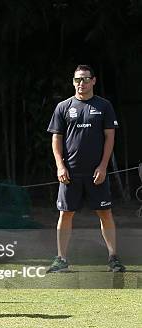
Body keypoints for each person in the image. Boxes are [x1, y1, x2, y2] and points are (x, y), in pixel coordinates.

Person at [47, 65, 125, 273]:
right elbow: (56, 138)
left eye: (85, 79)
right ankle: (61, 259)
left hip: (96, 173)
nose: (81, 83)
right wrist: (60, 166)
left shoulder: (104, 106)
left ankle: (113, 258)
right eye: (77, 80)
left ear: (94, 81)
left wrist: (103, 166)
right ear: (73, 82)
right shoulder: (63, 107)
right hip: (70, 173)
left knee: (105, 213)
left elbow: (110, 138)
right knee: (66, 214)